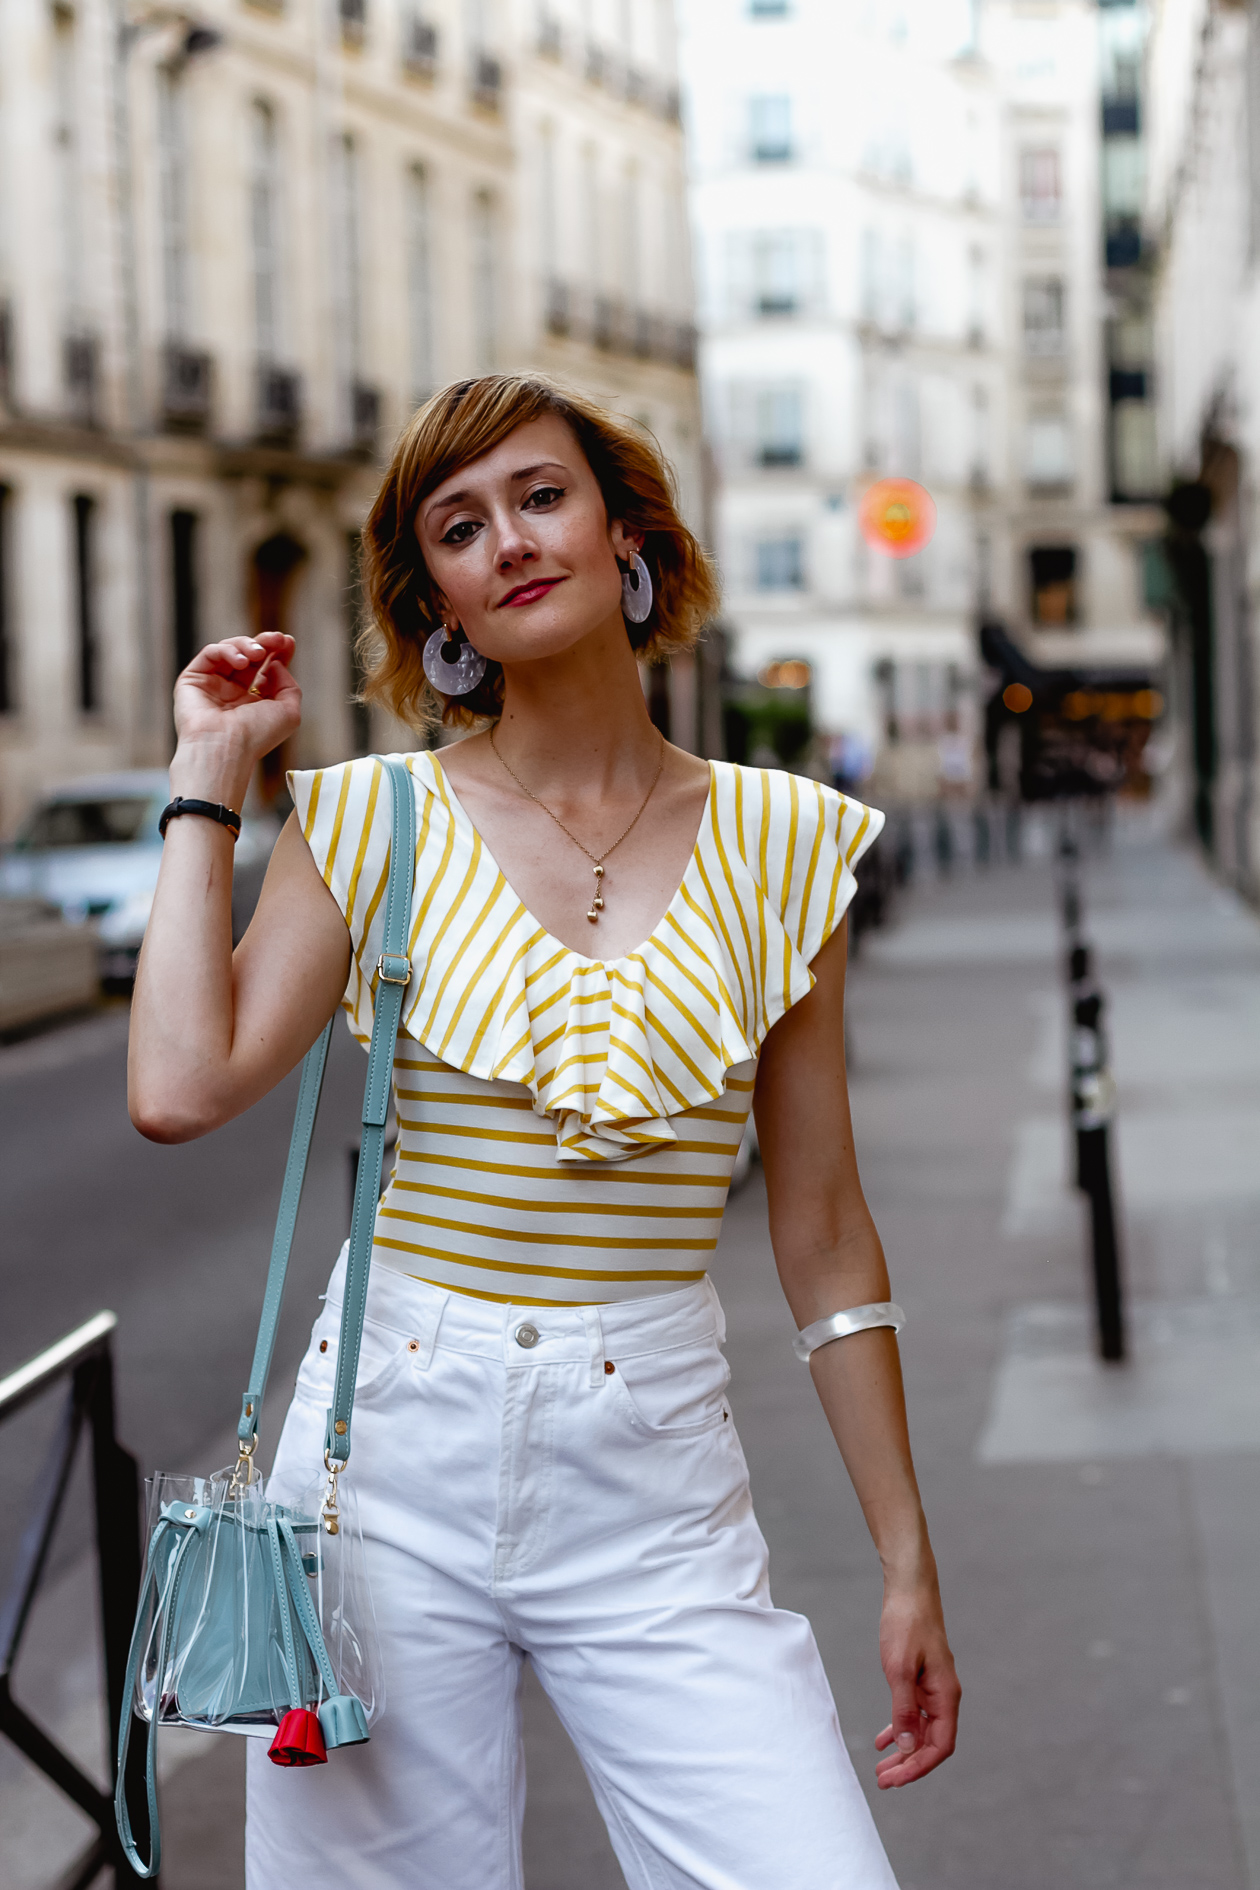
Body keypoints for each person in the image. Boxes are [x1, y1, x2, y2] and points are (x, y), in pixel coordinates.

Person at [129, 373, 959, 1889]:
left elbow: (826, 1228)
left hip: (652, 1472)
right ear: (434, 592)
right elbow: (180, 1087)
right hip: (381, 1465)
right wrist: (210, 779)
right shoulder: (374, 823)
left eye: (541, 494)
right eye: (459, 524)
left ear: (626, 529)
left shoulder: (783, 842)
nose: (507, 539)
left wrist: (905, 1550)